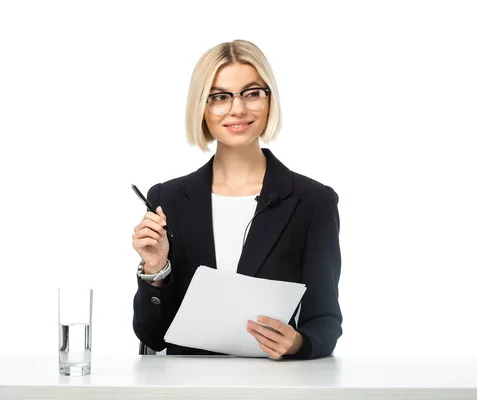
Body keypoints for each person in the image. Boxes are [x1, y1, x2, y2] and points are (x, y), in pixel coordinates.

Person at [131, 40, 342, 360]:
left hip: (273, 387)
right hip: (186, 388)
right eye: (219, 97)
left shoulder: (313, 202)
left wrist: (298, 343)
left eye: (252, 93)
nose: (238, 109)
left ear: (270, 100)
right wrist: (156, 269)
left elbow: (325, 321)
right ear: (201, 107)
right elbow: (153, 337)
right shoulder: (167, 199)